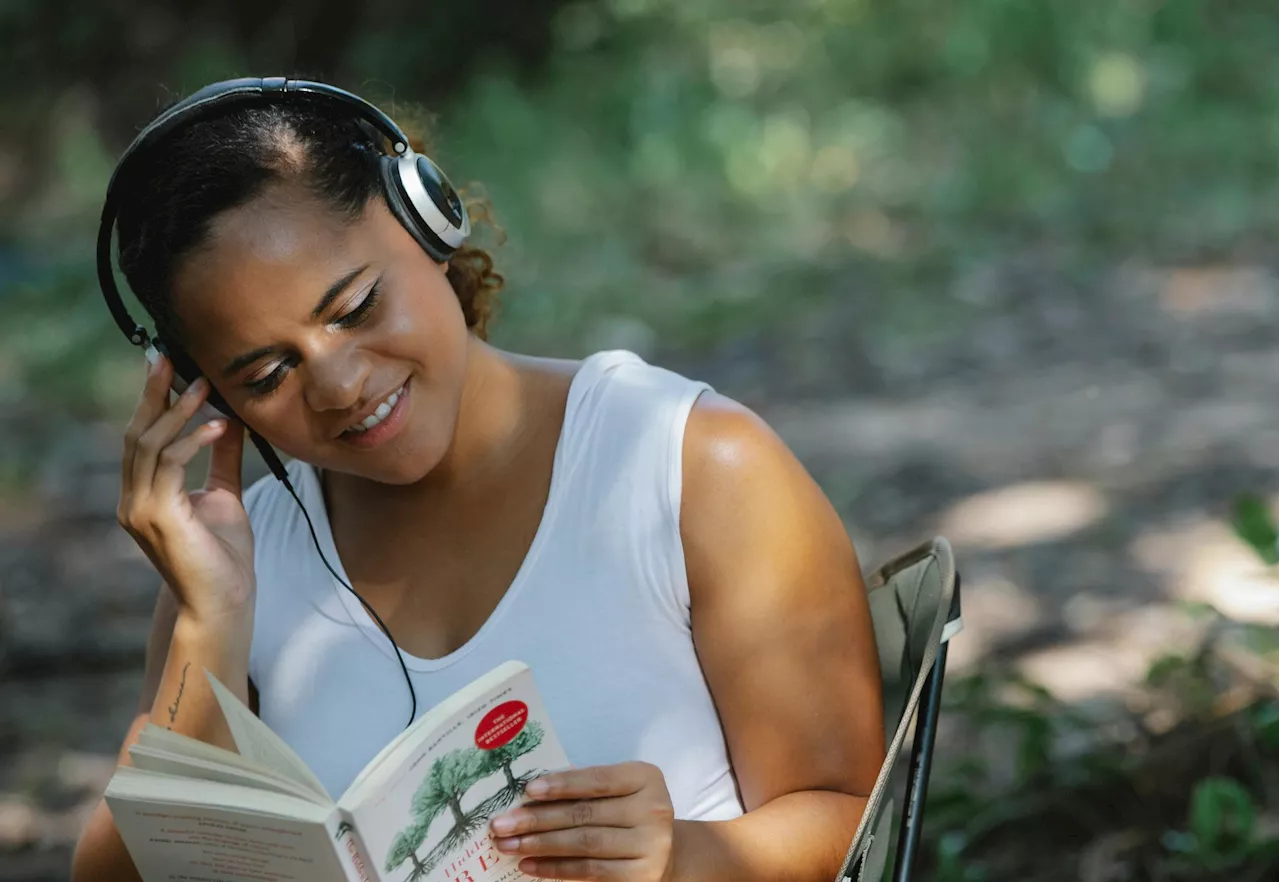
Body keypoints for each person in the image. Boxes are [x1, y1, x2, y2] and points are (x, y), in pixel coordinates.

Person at [71, 90, 885, 882]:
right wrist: (210, 624)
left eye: (355, 308)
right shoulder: (239, 565)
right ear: (205, 396)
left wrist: (686, 858)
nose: (341, 385)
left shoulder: (693, 466)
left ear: (429, 219)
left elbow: (853, 815)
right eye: (268, 373)